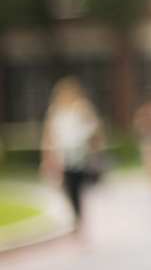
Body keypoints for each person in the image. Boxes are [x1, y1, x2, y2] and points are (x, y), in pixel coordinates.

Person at [41, 76, 105, 231]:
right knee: (68, 190)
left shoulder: (83, 109)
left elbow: (96, 130)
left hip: (82, 158)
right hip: (63, 159)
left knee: (77, 190)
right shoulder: (55, 111)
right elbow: (48, 137)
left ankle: (78, 221)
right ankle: (76, 219)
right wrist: (47, 159)